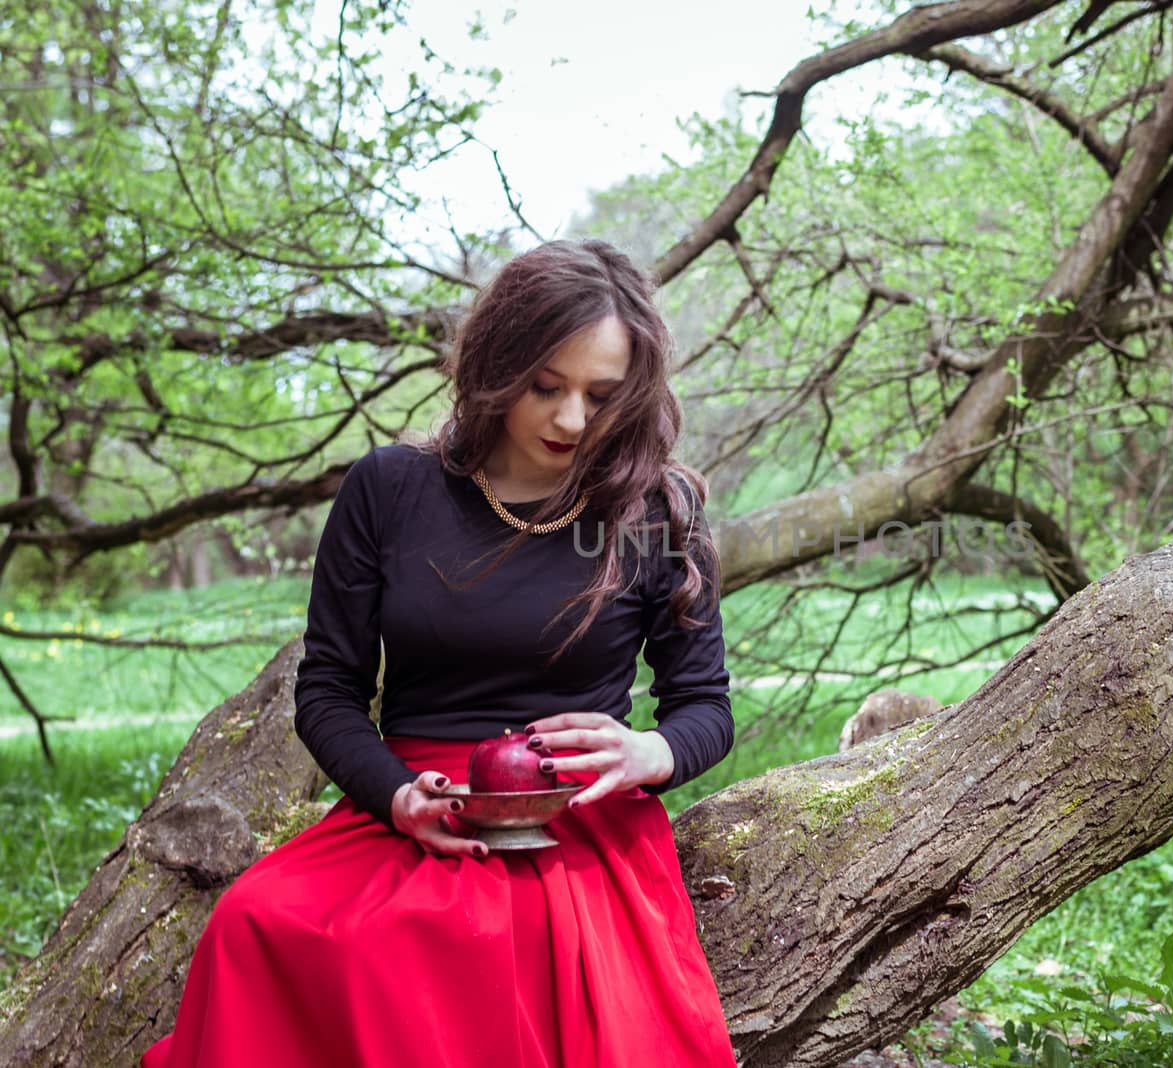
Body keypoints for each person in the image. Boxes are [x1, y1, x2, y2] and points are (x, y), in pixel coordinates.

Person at [141, 240, 738, 1067]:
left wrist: (649, 752)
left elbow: (706, 706)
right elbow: (328, 692)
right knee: (256, 920)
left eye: (601, 395)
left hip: (578, 823)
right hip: (416, 808)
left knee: (497, 953)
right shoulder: (388, 489)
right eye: (546, 387)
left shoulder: (657, 509)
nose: (572, 420)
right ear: (498, 365)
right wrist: (395, 797)